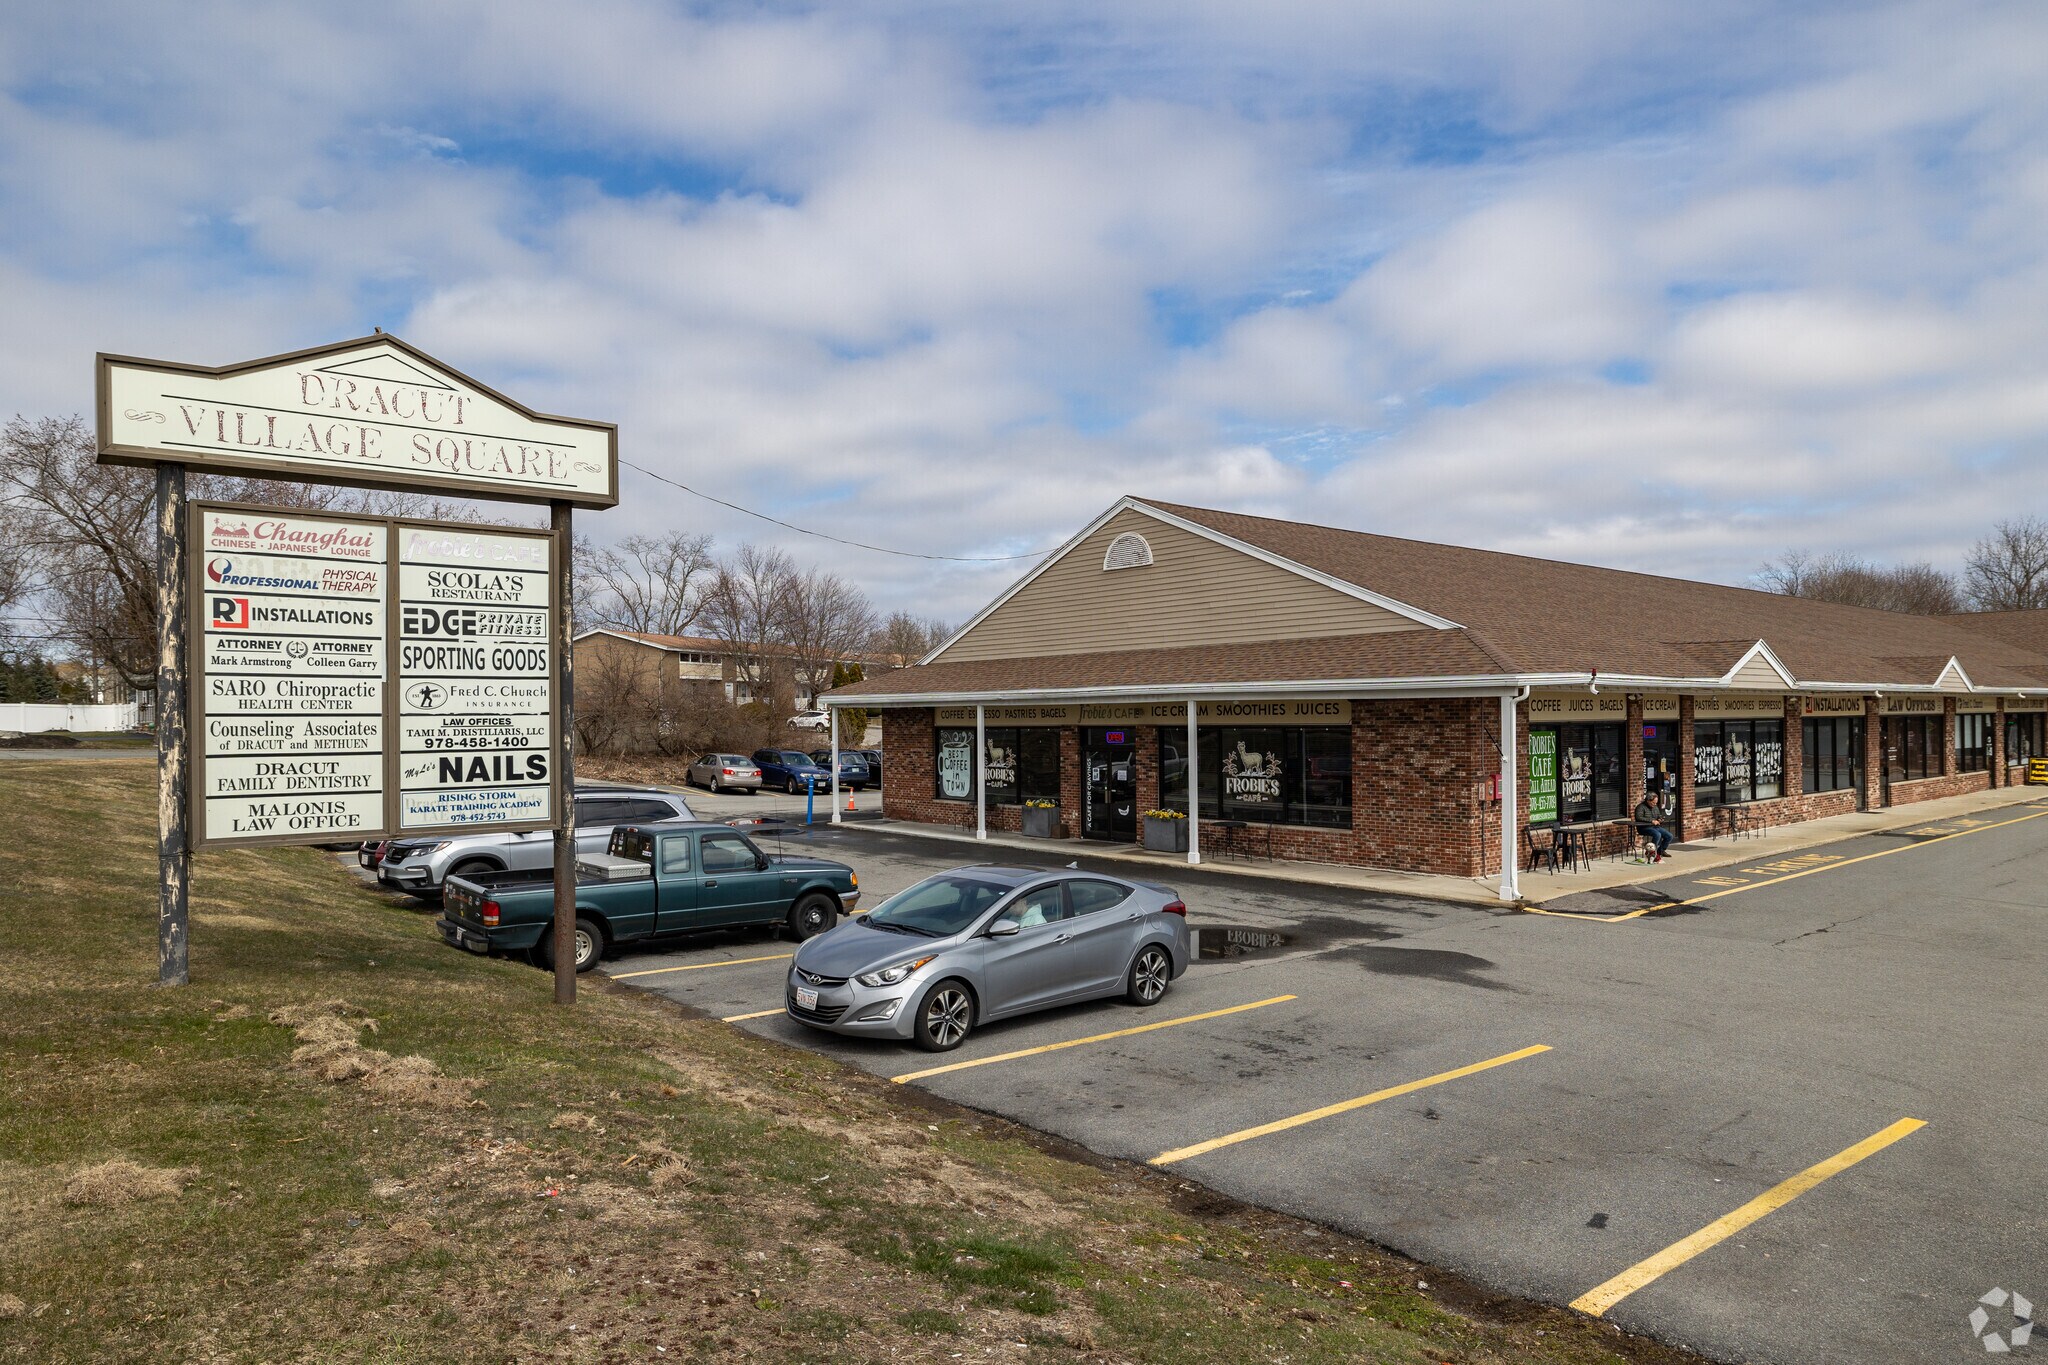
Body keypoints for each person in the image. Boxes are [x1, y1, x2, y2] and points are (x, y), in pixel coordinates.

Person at [1634, 792, 1673, 861]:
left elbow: (1658, 815)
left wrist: (1660, 819)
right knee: (1657, 834)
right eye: (1653, 803)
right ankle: (1651, 852)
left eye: (1656, 803)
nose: (1655, 804)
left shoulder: (1655, 807)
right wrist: (1651, 821)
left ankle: (1660, 851)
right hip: (1644, 827)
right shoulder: (1640, 807)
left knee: (1669, 836)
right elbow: (1639, 817)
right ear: (1648, 800)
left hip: (1655, 827)